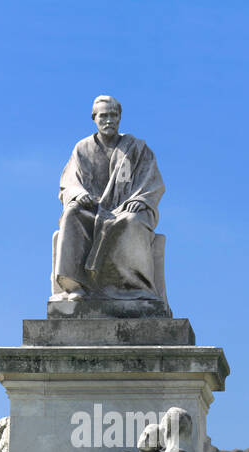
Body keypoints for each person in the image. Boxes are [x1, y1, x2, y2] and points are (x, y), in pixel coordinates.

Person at [53, 95, 165, 301]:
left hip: (126, 210)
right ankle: (76, 285)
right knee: (72, 213)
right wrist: (79, 194)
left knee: (130, 222)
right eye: (103, 116)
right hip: (94, 210)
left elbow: (153, 182)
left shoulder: (137, 148)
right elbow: (69, 182)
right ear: (94, 118)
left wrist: (140, 199)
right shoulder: (82, 149)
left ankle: (133, 286)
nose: (109, 120)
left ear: (120, 117)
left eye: (114, 115)